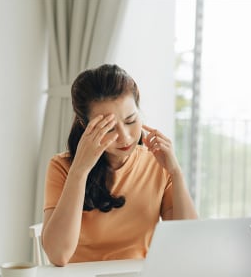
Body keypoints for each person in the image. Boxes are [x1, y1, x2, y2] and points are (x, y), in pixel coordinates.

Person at [42, 64, 197, 266]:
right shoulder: (62, 167)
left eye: (131, 121)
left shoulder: (157, 164)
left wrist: (176, 173)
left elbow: (187, 247)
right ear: (85, 125)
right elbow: (58, 255)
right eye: (108, 128)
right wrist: (79, 172)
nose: (124, 137)